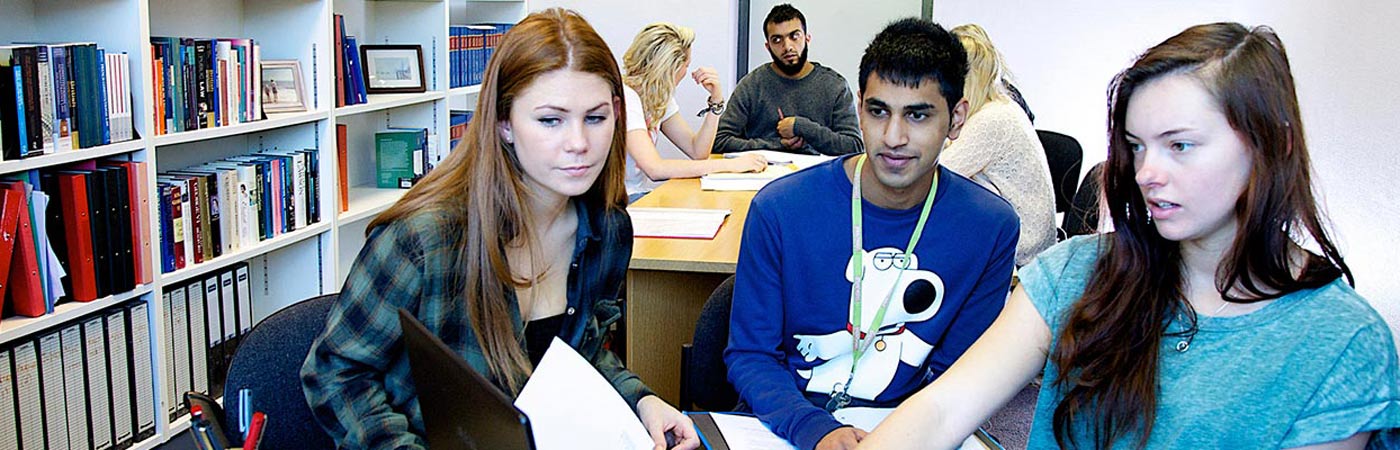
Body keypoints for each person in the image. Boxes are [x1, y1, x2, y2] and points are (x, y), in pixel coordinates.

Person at [859, 23, 1400, 450]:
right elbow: (941, 411)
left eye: (1180, 145)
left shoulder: (1341, 342)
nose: (1145, 174)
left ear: (1271, 145)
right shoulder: (1074, 271)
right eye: (1137, 145)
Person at [300, 9, 700, 450]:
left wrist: (640, 400)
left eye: (596, 118)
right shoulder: (425, 239)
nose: (579, 143)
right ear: (505, 123)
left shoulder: (608, 231)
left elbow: (580, 353)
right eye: (551, 120)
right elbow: (336, 373)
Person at [724, 18, 1020, 450]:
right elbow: (751, 355)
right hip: (790, 427)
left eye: (917, 115)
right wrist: (815, 430)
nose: (893, 137)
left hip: (915, 430)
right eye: (878, 111)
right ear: (859, 106)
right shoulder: (779, 210)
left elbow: (960, 375)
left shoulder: (990, 227)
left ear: (956, 119)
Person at [941, 23, 1056, 266]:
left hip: (1022, 252)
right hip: (1023, 239)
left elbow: (933, 175)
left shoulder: (992, 120)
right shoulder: (1002, 106)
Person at [620, 22, 767, 200]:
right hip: (615, 203)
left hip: (635, 196)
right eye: (686, 65)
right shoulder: (626, 97)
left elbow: (697, 152)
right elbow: (655, 169)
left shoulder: (658, 98)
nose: (686, 72)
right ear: (671, 67)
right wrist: (731, 166)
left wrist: (716, 100)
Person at [713, 3, 862, 156]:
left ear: (807, 38)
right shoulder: (752, 84)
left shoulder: (834, 85)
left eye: (794, 36)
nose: (787, 46)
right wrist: (776, 145)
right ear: (768, 46)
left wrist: (802, 126)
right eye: (777, 40)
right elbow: (719, 141)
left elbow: (854, 147)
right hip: (763, 175)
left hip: (819, 174)